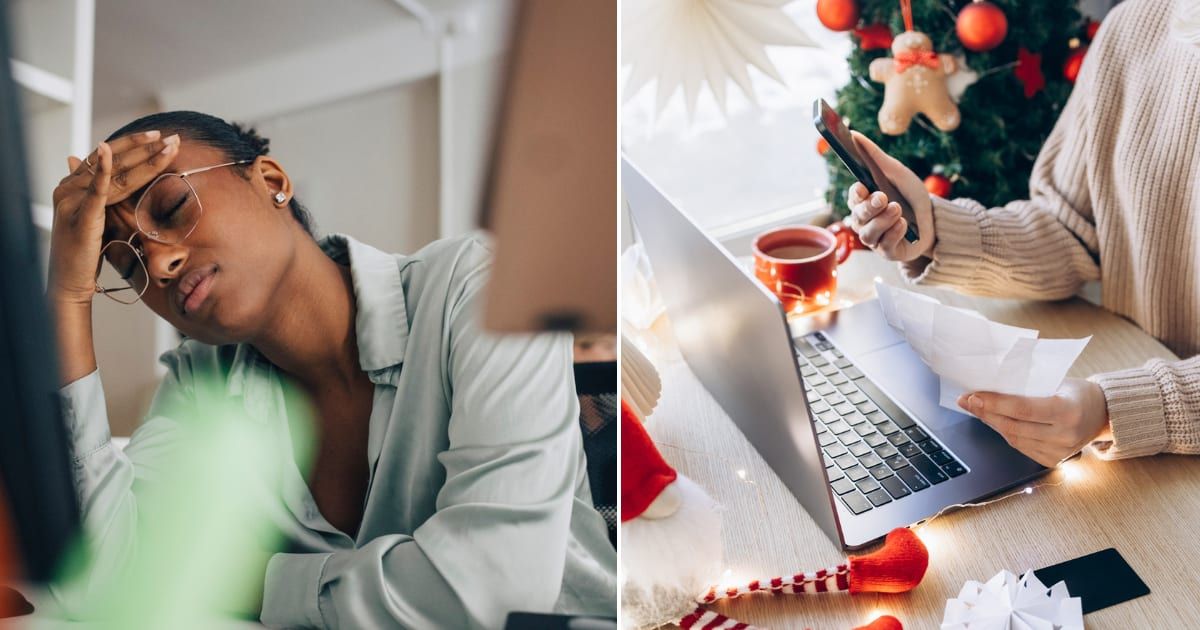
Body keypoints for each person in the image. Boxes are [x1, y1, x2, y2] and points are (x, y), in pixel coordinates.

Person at [46, 110, 616, 627]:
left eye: (172, 209)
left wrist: (255, 582)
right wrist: (68, 296)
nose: (162, 263)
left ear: (270, 181)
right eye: (129, 264)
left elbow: (492, 590)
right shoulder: (201, 381)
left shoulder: (477, 287)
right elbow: (103, 578)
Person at [843, 0, 1200, 467]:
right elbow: (1071, 227)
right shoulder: (1140, 24)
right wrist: (933, 230)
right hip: (1142, 429)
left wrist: (1115, 408)